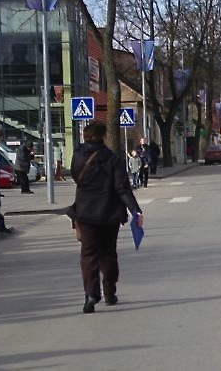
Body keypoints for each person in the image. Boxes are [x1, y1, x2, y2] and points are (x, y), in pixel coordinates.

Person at [69, 121, 144, 314]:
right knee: (108, 253)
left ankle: (91, 294)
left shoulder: (78, 156)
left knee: (88, 255)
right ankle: (110, 292)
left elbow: (76, 178)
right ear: (103, 136)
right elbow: (122, 188)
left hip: (85, 213)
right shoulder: (112, 158)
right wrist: (135, 210)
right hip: (109, 213)